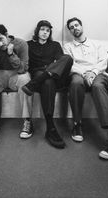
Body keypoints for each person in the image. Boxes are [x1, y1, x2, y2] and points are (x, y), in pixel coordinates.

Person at [63, 17, 108, 159]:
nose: (75, 28)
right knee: (75, 83)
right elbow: (69, 64)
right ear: (70, 31)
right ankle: (77, 124)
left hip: (99, 74)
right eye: (71, 27)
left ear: (82, 26)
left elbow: (103, 60)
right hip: (79, 74)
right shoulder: (67, 47)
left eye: (77, 25)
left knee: (97, 86)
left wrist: (93, 73)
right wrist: (84, 73)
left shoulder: (96, 44)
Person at [22, 20, 73, 148]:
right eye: (42, 29)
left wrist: (49, 70)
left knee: (67, 58)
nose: (45, 33)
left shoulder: (55, 45)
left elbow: (61, 63)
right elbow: (15, 47)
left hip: (55, 77)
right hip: (40, 76)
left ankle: (34, 83)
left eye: (48, 30)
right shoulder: (28, 45)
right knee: (46, 80)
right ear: (37, 31)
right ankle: (50, 127)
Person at [0, 24, 33, 139]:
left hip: (16, 75)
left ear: (7, 35)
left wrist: (11, 54)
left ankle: (27, 121)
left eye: (1, 39)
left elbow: (23, 68)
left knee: (26, 78)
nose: (0, 44)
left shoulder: (21, 44)